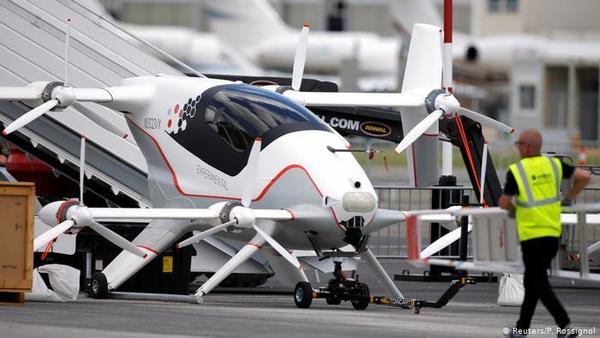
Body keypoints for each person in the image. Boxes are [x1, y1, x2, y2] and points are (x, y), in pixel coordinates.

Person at [500, 129, 590, 338]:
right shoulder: (554, 164)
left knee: (538, 282)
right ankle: (522, 328)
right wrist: (567, 199)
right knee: (532, 282)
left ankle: (565, 325)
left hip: (531, 236)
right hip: (551, 234)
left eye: (519, 144)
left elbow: (504, 202)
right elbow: (584, 177)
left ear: (529, 146)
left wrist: (513, 210)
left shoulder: (518, 170)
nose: (518, 147)